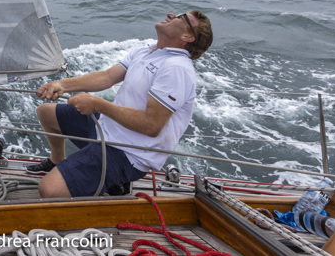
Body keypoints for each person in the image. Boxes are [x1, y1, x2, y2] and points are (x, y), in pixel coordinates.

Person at [26, 11, 213, 198]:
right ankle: (57, 161)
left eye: (181, 17)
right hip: (108, 129)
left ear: (187, 37)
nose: (171, 15)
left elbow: (152, 125)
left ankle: (116, 180)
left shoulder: (176, 68)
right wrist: (62, 85)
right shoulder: (147, 50)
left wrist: (97, 104)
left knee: (49, 190)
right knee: (46, 113)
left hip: (128, 153)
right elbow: (106, 77)